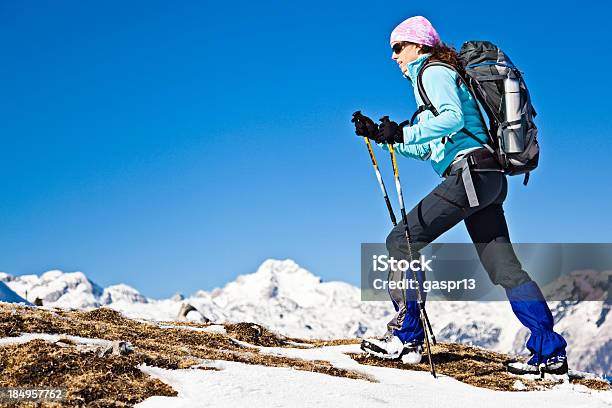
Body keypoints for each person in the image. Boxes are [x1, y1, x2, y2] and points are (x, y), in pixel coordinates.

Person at [352, 16, 568, 375]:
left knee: (400, 241)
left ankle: (407, 338)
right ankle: (550, 352)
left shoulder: (431, 72)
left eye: (398, 47)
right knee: (506, 268)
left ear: (418, 45)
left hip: (470, 174)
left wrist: (402, 135)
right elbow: (432, 148)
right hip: (488, 177)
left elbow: (451, 120)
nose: (394, 56)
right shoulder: (441, 77)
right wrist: (383, 135)